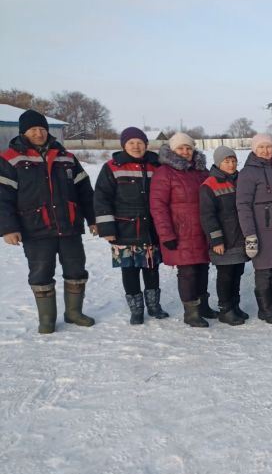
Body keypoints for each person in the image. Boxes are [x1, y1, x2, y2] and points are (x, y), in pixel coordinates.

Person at [0, 109, 96, 333]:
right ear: (23, 132)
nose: (39, 133)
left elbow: (85, 192)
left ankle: (73, 312)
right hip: (34, 228)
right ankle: (47, 319)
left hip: (69, 226)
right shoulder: (10, 159)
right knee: (41, 273)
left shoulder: (66, 157)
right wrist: (8, 228)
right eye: (33, 129)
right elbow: (3, 198)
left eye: (42, 129)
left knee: (76, 269)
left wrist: (93, 219)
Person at [94, 127, 168, 325]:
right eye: (131, 143)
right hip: (124, 228)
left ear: (146, 145)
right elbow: (101, 198)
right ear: (124, 146)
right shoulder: (112, 167)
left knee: (152, 268)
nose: (136, 147)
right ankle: (136, 309)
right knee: (130, 270)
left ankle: (154, 306)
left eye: (140, 143)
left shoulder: (157, 166)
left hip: (151, 228)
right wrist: (107, 228)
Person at [150, 132, 217, 327]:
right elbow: (158, 206)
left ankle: (203, 305)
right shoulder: (164, 173)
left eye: (188, 148)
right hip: (181, 232)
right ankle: (191, 312)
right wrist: (166, 234)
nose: (185, 151)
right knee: (187, 272)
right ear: (172, 150)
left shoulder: (201, 171)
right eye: (181, 148)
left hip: (202, 230)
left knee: (203, 268)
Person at [236, 134, 272, 324]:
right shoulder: (248, 173)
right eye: (261, 147)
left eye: (268, 147)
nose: (265, 150)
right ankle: (265, 309)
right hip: (262, 231)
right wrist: (249, 235)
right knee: (264, 271)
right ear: (254, 149)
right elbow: (243, 205)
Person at [199, 146, 250, 326]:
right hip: (225, 240)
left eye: (233, 160)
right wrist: (216, 240)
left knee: (237, 273)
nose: (230, 164)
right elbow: (207, 216)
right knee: (226, 274)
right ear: (218, 163)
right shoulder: (209, 185)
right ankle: (225, 309)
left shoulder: (241, 180)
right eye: (226, 161)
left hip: (240, 237)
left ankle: (235, 305)